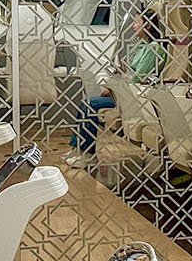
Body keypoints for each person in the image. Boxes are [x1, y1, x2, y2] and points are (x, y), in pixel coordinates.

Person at [67, 10, 166, 165]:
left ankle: (88, 155)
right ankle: (77, 149)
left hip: (135, 98)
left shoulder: (154, 48)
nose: (133, 26)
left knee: (90, 104)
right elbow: (132, 72)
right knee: (86, 103)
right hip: (127, 93)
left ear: (147, 25)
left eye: (137, 23)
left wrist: (114, 88)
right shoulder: (144, 46)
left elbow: (138, 78)